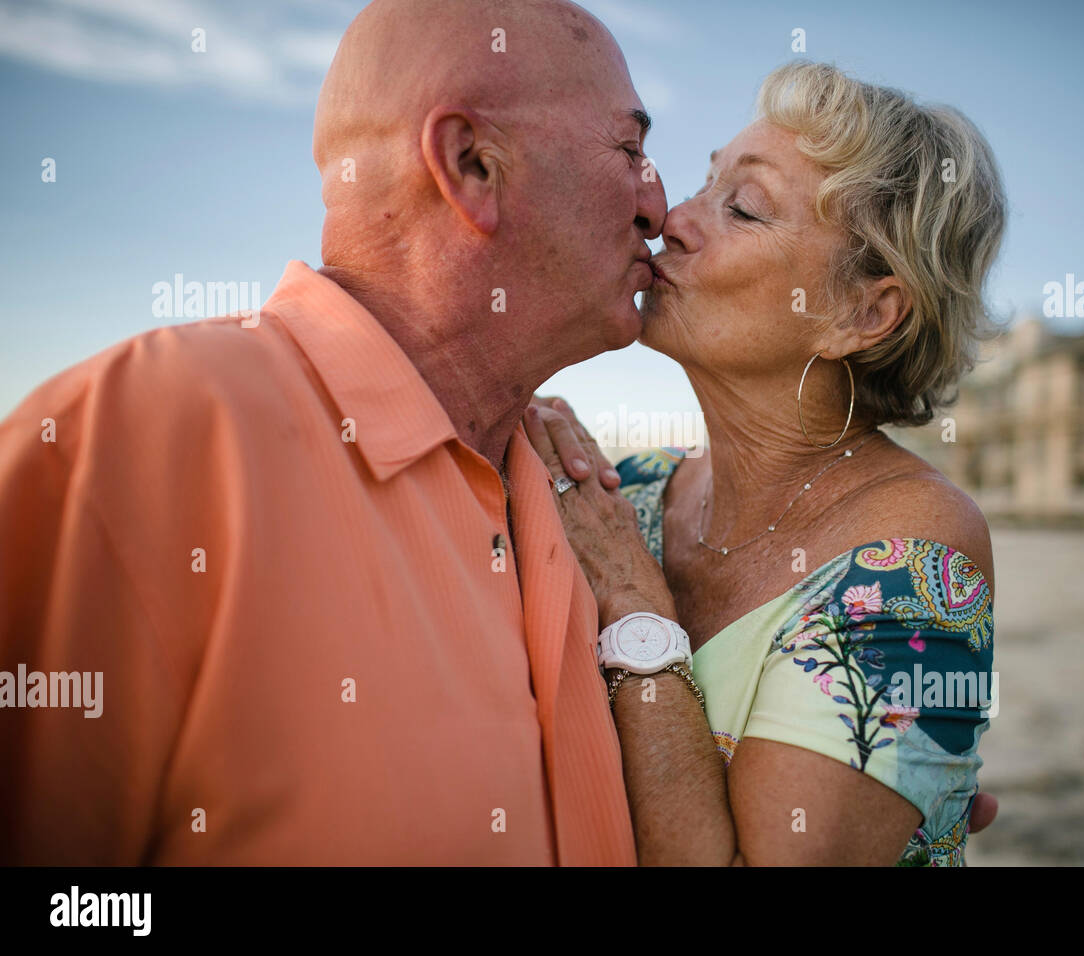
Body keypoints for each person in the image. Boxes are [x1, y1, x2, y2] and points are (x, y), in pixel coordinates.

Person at [0, 0, 665, 865]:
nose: (659, 203)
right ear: (471, 164)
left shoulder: (569, 494)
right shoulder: (137, 436)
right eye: (630, 150)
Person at [526, 60, 1006, 865]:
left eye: (743, 209)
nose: (672, 219)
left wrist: (638, 605)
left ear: (865, 312)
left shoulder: (917, 554)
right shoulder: (623, 492)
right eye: (706, 184)